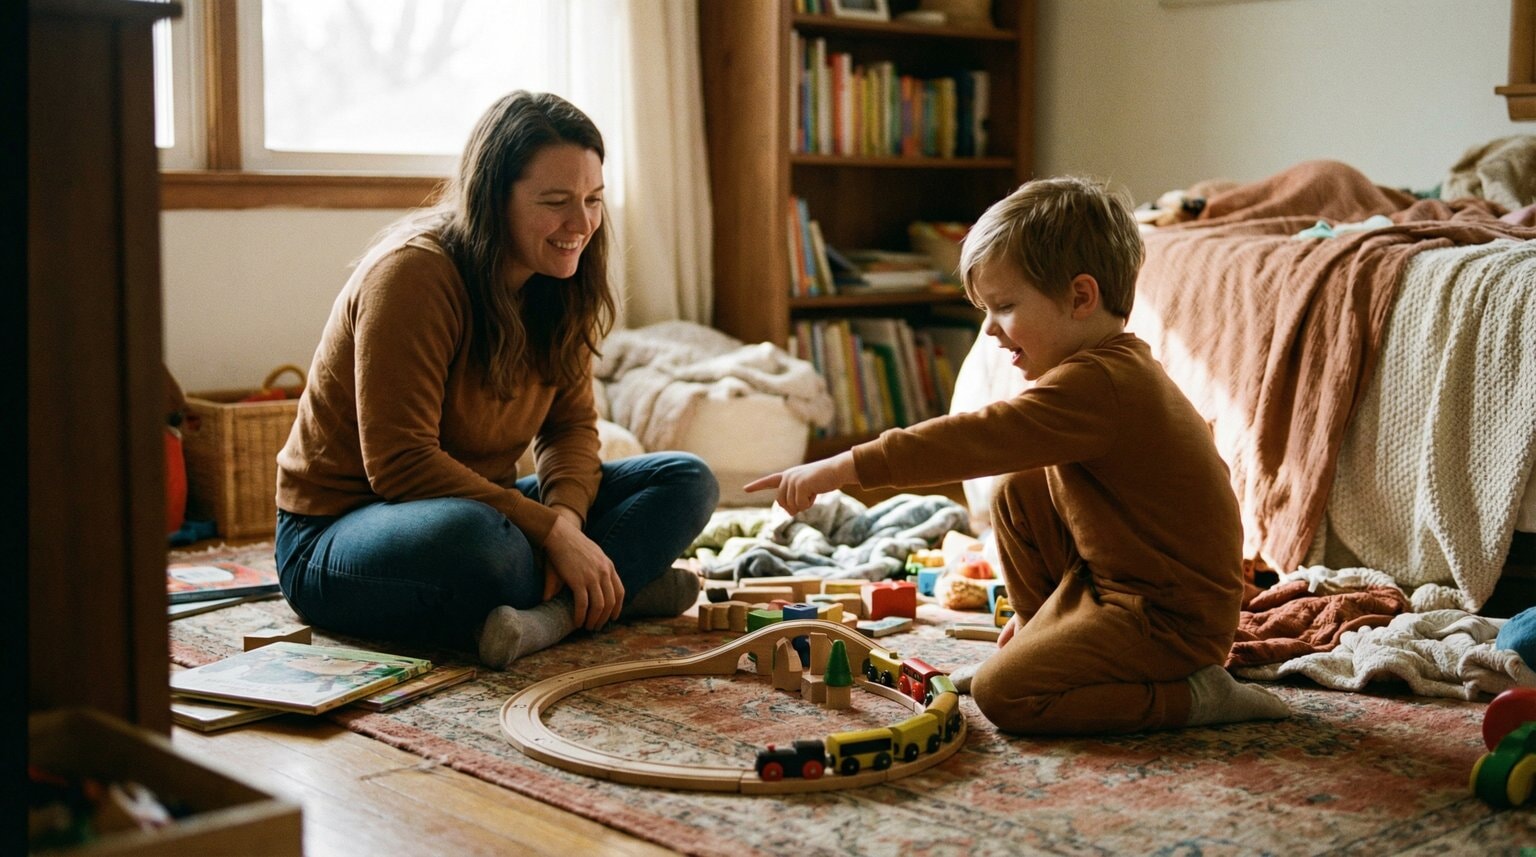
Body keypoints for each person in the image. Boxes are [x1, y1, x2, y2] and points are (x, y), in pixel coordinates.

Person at [746, 176, 1288, 734]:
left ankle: (1197, 694)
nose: (989, 331)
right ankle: (1040, 637)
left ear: (1081, 297)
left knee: (1006, 696)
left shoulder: (1101, 384)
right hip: (1114, 583)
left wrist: (840, 467)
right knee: (1019, 487)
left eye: (1004, 306)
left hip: (1170, 620)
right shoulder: (1100, 371)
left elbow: (973, 437)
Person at [275, 91, 719, 671]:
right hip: (337, 536)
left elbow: (571, 430)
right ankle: (620, 589)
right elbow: (400, 464)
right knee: (487, 545)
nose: (581, 224)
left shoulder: (558, 278)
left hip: (486, 507)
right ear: (493, 199)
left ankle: (554, 616)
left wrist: (566, 521)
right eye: (556, 201)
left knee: (685, 480)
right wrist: (555, 538)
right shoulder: (413, 274)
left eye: (593, 199)